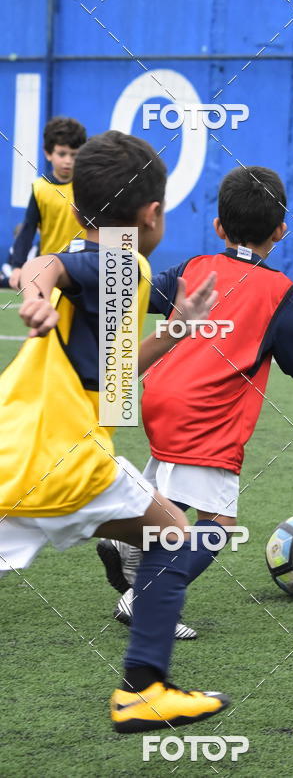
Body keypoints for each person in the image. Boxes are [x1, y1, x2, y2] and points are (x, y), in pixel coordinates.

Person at [0, 130, 229, 732]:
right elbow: (45, 265)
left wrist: (177, 329)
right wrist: (35, 292)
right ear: (153, 213)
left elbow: (115, 369)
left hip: (21, 454)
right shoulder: (114, 259)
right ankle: (142, 691)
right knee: (176, 533)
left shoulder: (124, 267)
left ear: (76, 209)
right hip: (64, 457)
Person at [97, 165, 293, 632]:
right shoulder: (278, 291)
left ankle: (128, 543)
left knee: (170, 492)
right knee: (218, 523)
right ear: (282, 231)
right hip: (210, 416)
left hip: (159, 399)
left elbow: (137, 291)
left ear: (219, 228)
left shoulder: (192, 269)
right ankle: (148, 598)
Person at [9, 116, 87, 290]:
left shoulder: (87, 185)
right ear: (48, 153)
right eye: (62, 154)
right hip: (51, 269)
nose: (68, 160)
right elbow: (28, 229)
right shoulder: (39, 188)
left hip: (83, 269)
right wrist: (17, 266)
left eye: (74, 155)